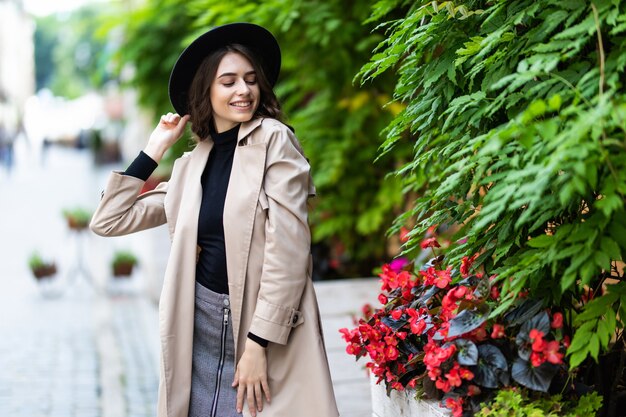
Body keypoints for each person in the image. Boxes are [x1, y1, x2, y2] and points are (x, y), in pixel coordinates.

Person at [90, 23, 339, 417]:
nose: (244, 90)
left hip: (261, 326)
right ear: (206, 90)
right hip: (199, 323)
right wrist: (154, 149)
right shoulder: (192, 164)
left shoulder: (274, 140)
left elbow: (289, 248)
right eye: (229, 81)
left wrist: (258, 344)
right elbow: (109, 220)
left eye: (251, 80)